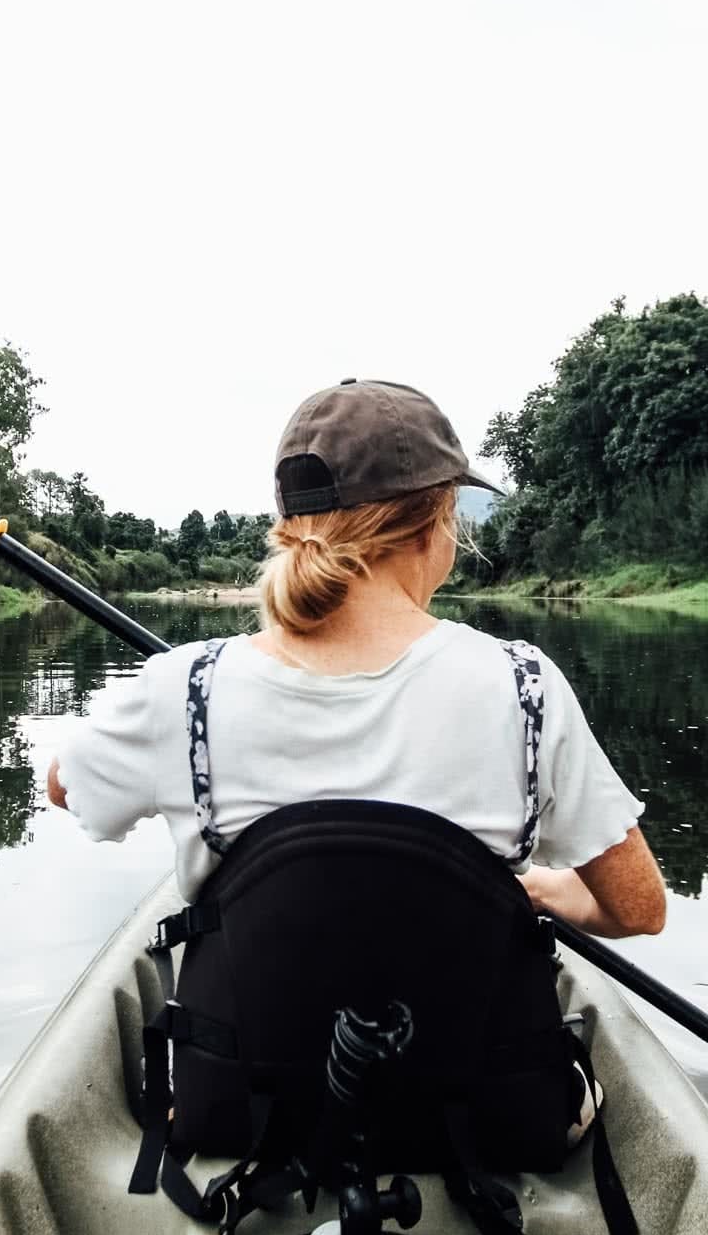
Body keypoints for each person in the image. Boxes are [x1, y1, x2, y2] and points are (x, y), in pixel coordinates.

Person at [45, 375, 666, 940]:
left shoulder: (183, 689)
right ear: (436, 521)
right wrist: (541, 888)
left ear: (287, 523)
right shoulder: (526, 688)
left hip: (255, 1062)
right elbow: (637, 909)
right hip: (467, 1062)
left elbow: (62, 787)